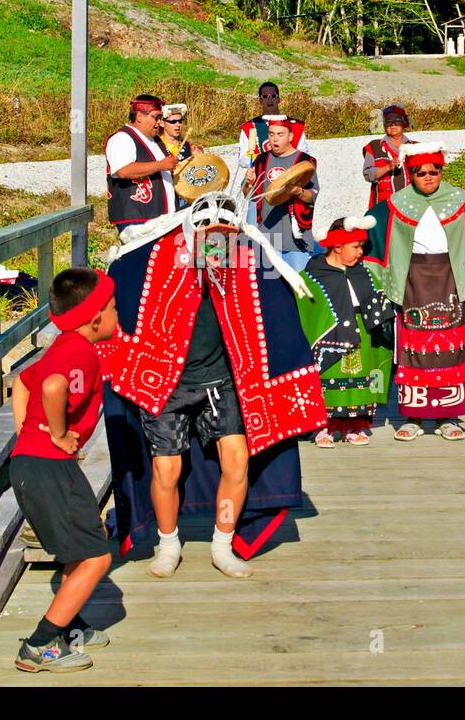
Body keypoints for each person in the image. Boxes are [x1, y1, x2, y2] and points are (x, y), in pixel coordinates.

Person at [98, 199, 326, 579]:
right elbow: (117, 281)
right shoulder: (156, 260)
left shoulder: (249, 263)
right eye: (210, 238)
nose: (218, 246)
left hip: (221, 382)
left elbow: (283, 309)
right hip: (166, 384)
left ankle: (223, 543)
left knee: (237, 461)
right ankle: (168, 543)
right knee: (166, 469)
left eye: (227, 238)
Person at [8, 267, 118, 673]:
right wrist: (55, 434)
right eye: (113, 309)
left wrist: (25, 430)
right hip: (50, 465)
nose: (117, 315)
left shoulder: (63, 344)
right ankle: (38, 645)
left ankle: (71, 624)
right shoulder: (82, 354)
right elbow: (53, 388)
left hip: (32, 464)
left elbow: (24, 382)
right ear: (95, 319)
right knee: (96, 559)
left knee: (91, 537)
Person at [362, 141, 465, 442]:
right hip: (411, 280)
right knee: (412, 349)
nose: (428, 177)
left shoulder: (464, 201)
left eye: (434, 171)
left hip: (451, 279)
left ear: (442, 170)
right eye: (420, 172)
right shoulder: (395, 204)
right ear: (410, 174)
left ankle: (448, 415)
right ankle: (413, 416)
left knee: (451, 349)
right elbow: (371, 230)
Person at [296, 216, 396, 447]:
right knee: (330, 379)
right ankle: (325, 428)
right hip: (329, 338)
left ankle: (356, 425)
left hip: (363, 331)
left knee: (360, 380)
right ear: (337, 246)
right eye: (356, 246)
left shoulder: (364, 273)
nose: (361, 251)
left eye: (361, 246)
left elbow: (376, 298)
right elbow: (305, 310)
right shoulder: (312, 276)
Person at [244, 118, 319, 272]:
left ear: (291, 136)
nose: (275, 139)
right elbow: (249, 196)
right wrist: (248, 183)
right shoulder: (261, 160)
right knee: (271, 290)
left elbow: (312, 196)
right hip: (267, 236)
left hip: (296, 237)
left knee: (298, 289)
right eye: (271, 134)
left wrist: (298, 191)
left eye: (280, 134)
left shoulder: (305, 161)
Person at [105, 95, 178, 228]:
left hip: (159, 217)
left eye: (160, 118)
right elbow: (123, 170)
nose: (159, 122)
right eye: (155, 117)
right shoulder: (122, 138)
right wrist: (161, 165)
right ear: (139, 116)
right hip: (137, 219)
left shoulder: (154, 140)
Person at [237, 81, 309, 168]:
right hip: (260, 176)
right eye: (265, 96)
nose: (269, 100)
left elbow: (303, 155)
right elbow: (243, 159)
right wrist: (264, 160)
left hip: (289, 176)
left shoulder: (295, 125)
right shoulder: (249, 127)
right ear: (260, 101)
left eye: (273, 96)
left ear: (279, 99)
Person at [362, 105, 412, 207]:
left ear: (404, 123)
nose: (393, 124)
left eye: (397, 120)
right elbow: (368, 175)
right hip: (383, 206)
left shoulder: (415, 147)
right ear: (384, 125)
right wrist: (388, 167)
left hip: (411, 205)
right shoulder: (374, 146)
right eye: (389, 121)